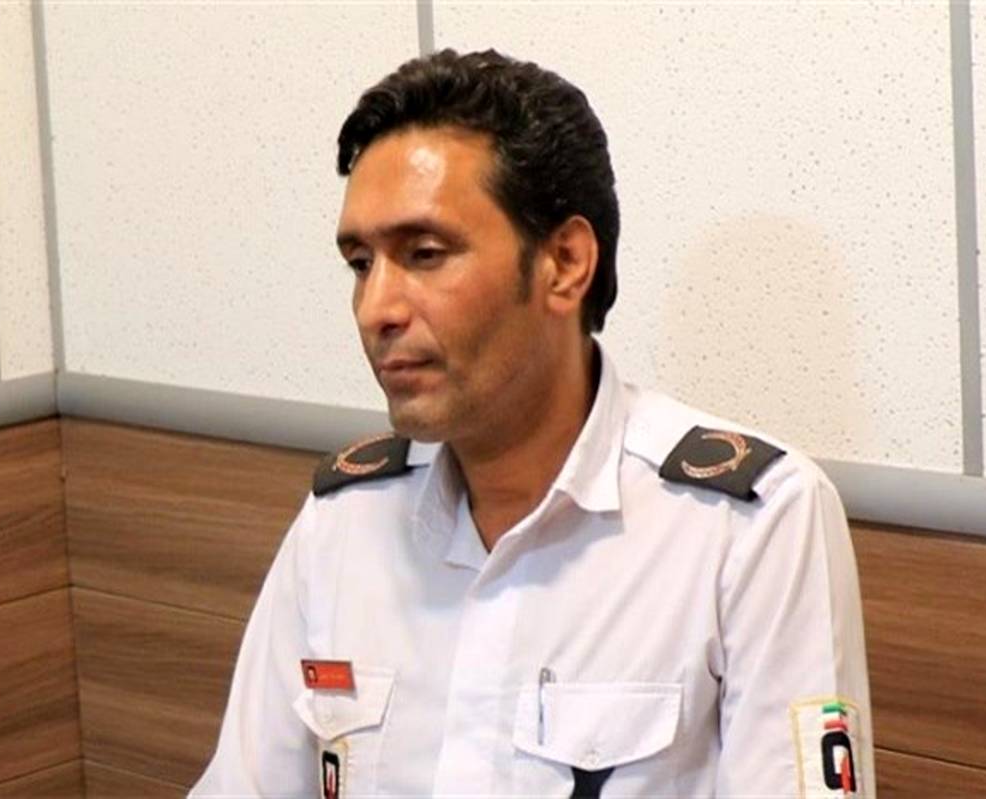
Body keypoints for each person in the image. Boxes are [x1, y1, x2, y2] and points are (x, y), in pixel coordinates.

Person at [191, 49, 873, 798]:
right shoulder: (343, 521)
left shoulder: (748, 527)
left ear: (565, 263)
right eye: (360, 263)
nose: (376, 308)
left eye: (425, 254)